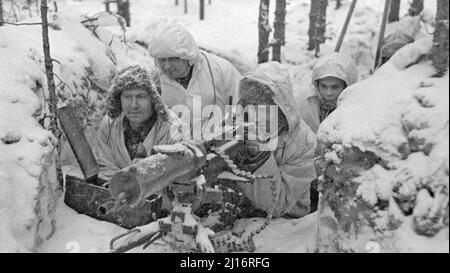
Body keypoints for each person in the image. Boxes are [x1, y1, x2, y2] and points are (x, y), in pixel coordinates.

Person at [231, 62, 317, 218]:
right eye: (250, 105)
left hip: (288, 221)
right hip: (243, 213)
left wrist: (258, 156)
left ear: (281, 107)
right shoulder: (236, 125)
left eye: (263, 107)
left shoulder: (304, 144)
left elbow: (279, 205)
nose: (254, 114)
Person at [145, 20, 241, 138]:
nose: (167, 66)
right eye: (162, 60)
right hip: (177, 149)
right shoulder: (153, 81)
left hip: (220, 143)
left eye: (173, 59)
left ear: (188, 56)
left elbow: (239, 107)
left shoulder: (221, 70)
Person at [94, 65, 188, 181]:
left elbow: (174, 177)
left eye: (141, 97)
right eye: (127, 97)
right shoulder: (109, 124)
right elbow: (106, 168)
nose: (134, 105)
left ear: (154, 100)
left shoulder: (173, 130)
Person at [297, 52, 358, 134]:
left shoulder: (357, 108)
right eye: (324, 86)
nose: (329, 93)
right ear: (317, 85)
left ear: (346, 86)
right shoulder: (304, 102)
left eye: (335, 87)